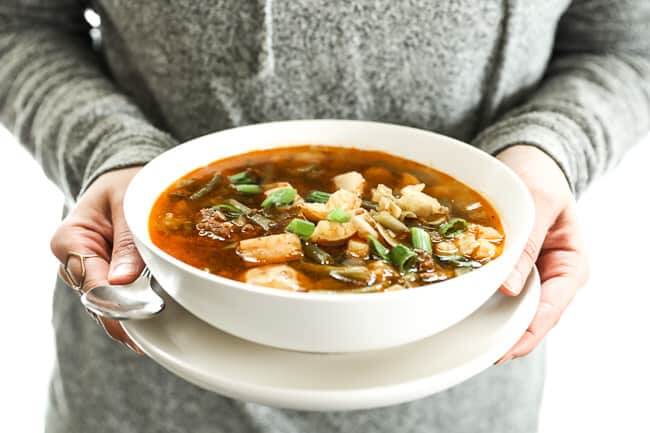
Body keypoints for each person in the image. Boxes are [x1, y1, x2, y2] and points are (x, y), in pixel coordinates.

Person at [1, 1, 648, 432]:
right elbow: (19, 22)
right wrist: (110, 152)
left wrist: (549, 149)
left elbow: (625, 44)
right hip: (145, 382)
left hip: (467, 391)